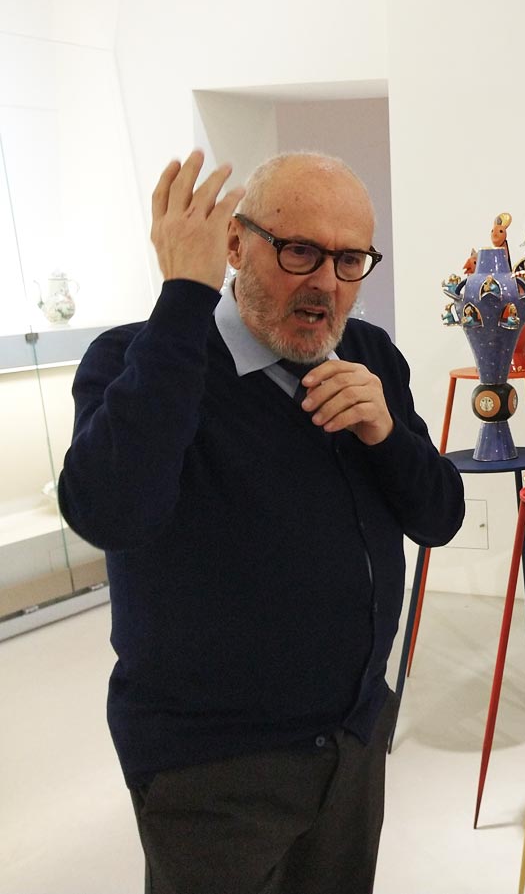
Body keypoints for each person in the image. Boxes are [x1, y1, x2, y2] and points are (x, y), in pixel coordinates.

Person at [58, 149, 465, 894]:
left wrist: (388, 435)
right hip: (211, 769)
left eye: (350, 260)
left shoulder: (369, 355)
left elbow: (439, 515)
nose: (325, 283)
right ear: (236, 246)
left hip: (351, 742)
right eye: (300, 250)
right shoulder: (137, 360)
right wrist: (184, 294)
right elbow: (108, 509)